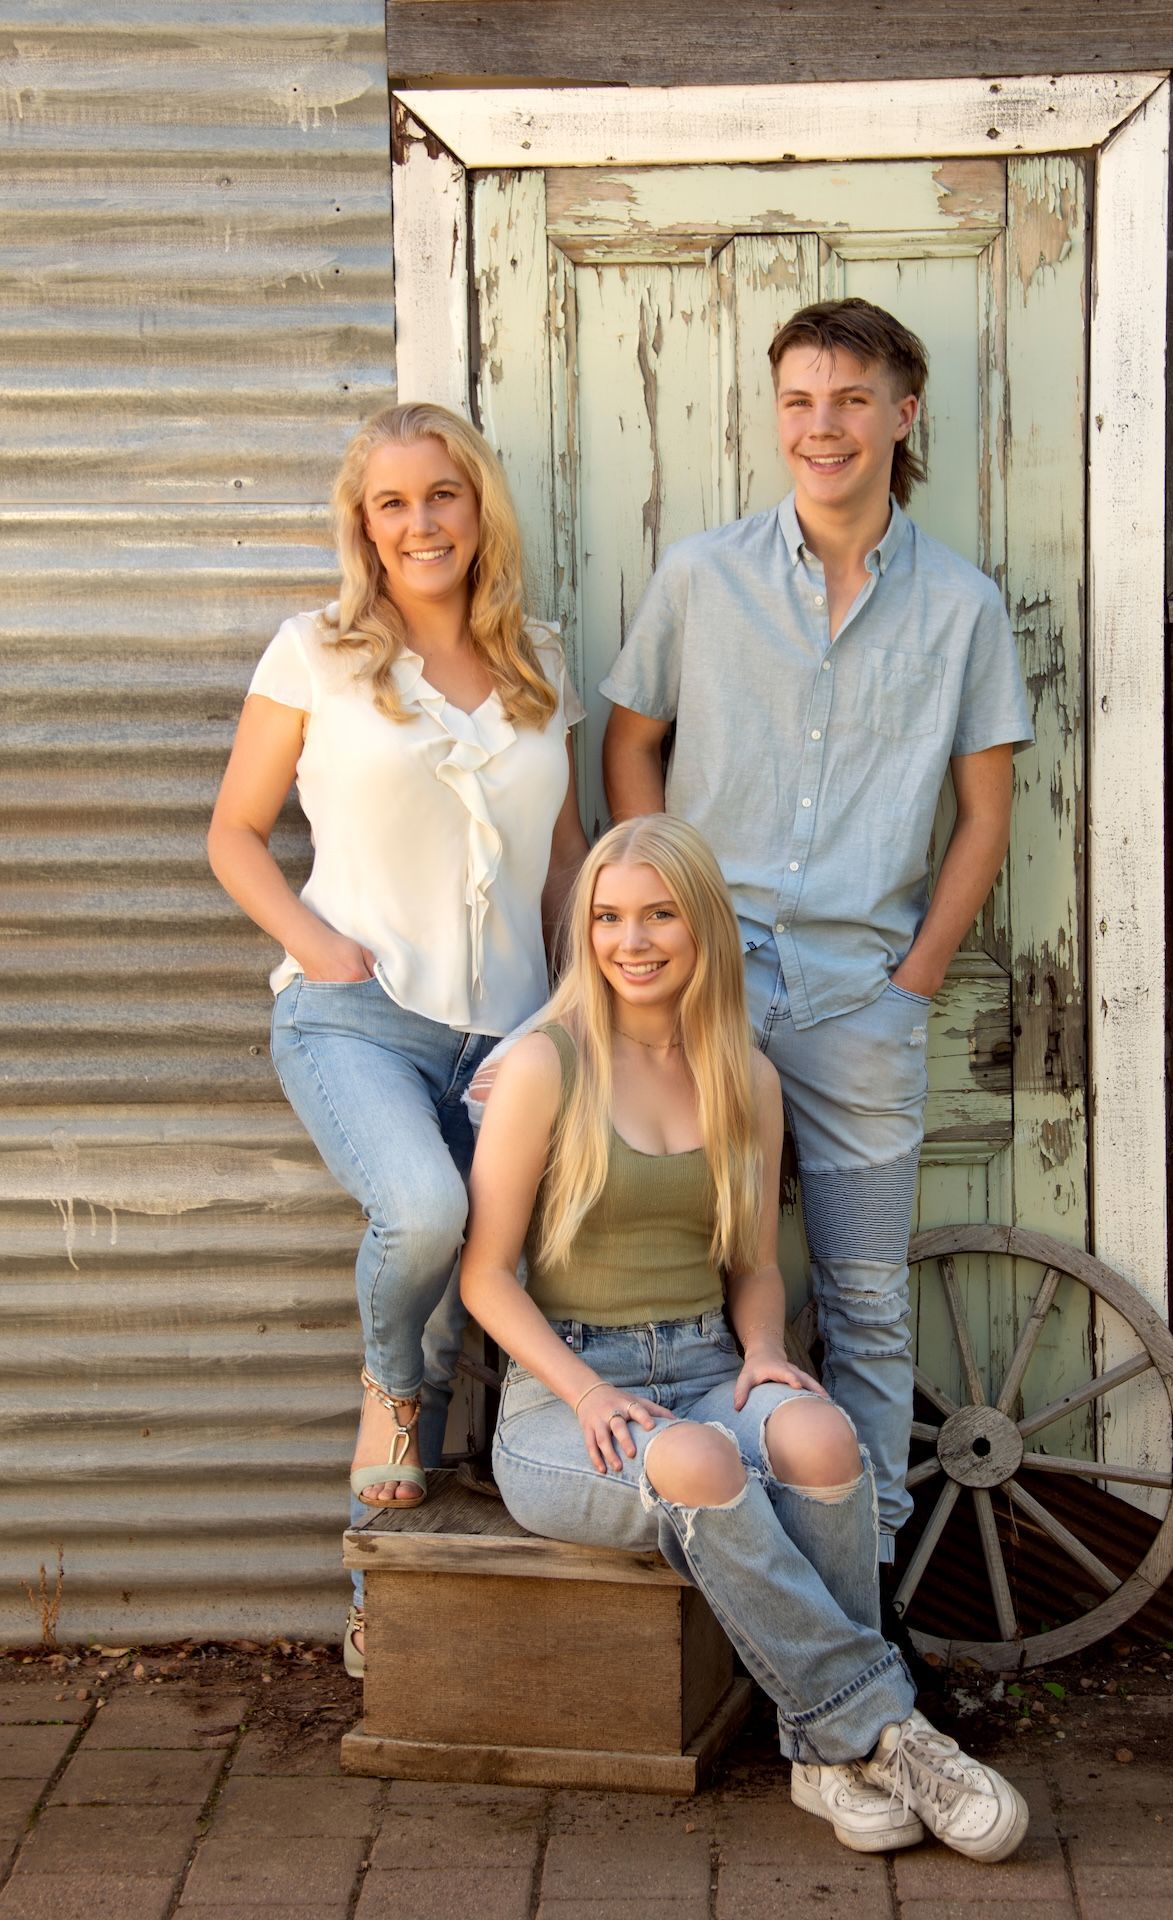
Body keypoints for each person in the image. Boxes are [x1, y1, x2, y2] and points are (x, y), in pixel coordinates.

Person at [460, 815, 1028, 1860]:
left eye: (659, 915)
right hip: (565, 1400)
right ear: (583, 932)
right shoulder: (546, 1065)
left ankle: (822, 1759)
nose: (632, 941)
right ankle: (887, 1732)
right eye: (608, 917)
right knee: (695, 1458)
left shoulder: (745, 1078)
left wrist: (766, 1350)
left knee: (818, 1437)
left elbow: (753, 1266)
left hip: (711, 1364)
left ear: (702, 927)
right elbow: (483, 1276)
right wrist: (586, 1393)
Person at [600, 298, 1034, 1621]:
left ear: (903, 417)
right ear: (776, 416)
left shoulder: (959, 607)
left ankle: (867, 1606)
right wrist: (647, 927)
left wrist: (912, 987)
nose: (822, 425)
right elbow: (630, 750)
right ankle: (696, 1565)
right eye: (799, 400)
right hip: (697, 992)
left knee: (863, 1297)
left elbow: (987, 817)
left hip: (860, 997)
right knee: (667, 1264)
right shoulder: (700, 577)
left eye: (851, 400)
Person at [208, 402, 587, 1673]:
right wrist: (318, 947)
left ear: (479, 511)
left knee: (490, 1292)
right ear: (362, 525)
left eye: (442, 496)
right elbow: (234, 835)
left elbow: (562, 862)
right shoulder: (312, 652)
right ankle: (390, 1402)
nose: (419, 522)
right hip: (355, 1018)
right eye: (392, 502)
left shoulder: (539, 660)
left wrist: (579, 1005)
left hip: (512, 1039)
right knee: (421, 1223)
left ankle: (399, 1621)